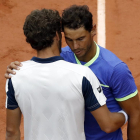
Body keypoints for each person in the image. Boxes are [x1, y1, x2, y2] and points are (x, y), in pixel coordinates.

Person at [5, 5, 140, 140]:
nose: (75, 46)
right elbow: (38, 69)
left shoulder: (115, 70)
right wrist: (16, 69)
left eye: (81, 39)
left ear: (93, 30)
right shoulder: (61, 58)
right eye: (69, 39)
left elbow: (135, 114)